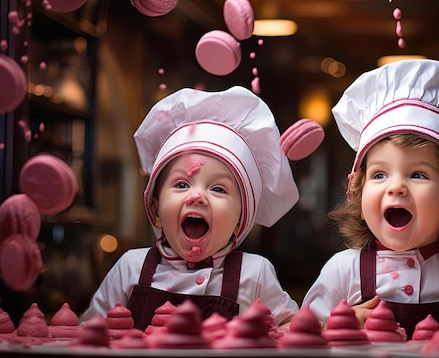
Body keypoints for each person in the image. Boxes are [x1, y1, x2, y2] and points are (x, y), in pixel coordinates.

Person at [302, 59, 439, 338]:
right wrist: (335, 324)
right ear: (358, 193)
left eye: (417, 174)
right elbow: (298, 336)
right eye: (380, 175)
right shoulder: (344, 270)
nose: (396, 187)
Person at [81, 86, 300, 330]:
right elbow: (89, 334)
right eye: (182, 184)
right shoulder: (131, 267)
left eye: (218, 189)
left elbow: (293, 329)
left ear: (241, 220)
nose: (197, 196)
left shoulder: (254, 274)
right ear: (155, 209)